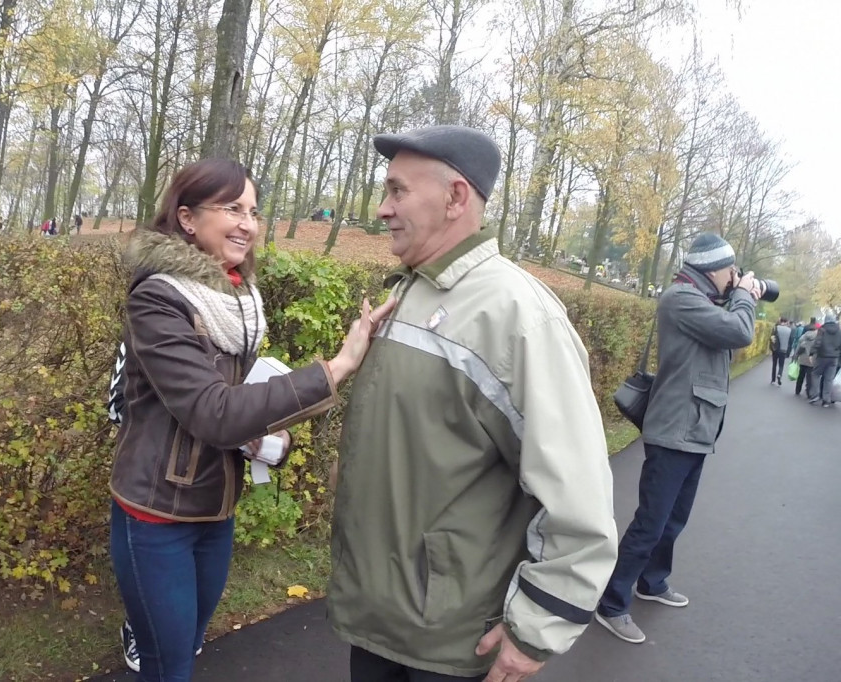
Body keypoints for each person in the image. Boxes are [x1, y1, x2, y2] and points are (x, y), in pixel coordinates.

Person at [327, 125, 618, 682]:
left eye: (397, 191)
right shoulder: (409, 291)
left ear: (456, 197)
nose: (382, 208)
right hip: (377, 619)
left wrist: (535, 629)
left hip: (453, 641)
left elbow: (578, 499)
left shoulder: (516, 315)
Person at [109, 158, 394, 681]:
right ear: (189, 219)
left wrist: (264, 439)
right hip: (156, 516)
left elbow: (236, 404)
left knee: (191, 641)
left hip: (214, 510)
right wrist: (335, 368)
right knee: (168, 667)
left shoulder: (235, 300)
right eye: (232, 208)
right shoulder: (158, 299)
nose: (248, 223)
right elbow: (213, 413)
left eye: (254, 211)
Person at [595, 233, 761, 644]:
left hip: (695, 430)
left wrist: (734, 295)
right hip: (674, 431)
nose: (734, 277)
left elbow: (727, 334)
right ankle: (612, 604)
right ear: (713, 269)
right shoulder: (681, 299)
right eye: (730, 271)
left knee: (673, 519)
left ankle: (652, 582)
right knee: (650, 522)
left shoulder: (703, 301)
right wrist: (744, 296)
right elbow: (740, 332)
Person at [810, 313, 841, 407]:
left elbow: (818, 342)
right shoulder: (839, 330)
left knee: (815, 374)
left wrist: (812, 353)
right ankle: (826, 400)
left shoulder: (822, 329)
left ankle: (815, 395)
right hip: (834, 358)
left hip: (822, 356)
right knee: (829, 379)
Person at [793, 321, 819, 399]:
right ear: (815, 329)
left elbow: (798, 348)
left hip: (803, 359)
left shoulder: (803, 337)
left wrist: (796, 356)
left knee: (801, 375)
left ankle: (797, 390)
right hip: (812, 360)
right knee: (809, 377)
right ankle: (808, 393)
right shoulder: (817, 337)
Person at [770, 316, 792, 385]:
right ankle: (779, 374)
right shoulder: (789, 330)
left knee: (774, 364)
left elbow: (772, 337)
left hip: (776, 349)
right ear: (786, 322)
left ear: (780, 321)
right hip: (784, 349)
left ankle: (773, 379)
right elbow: (790, 341)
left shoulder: (776, 328)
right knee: (781, 364)